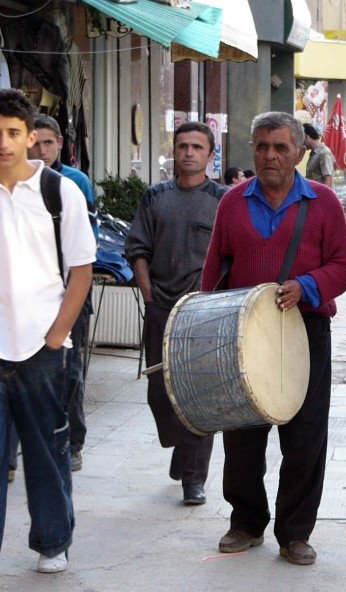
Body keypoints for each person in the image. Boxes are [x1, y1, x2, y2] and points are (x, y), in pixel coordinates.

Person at [0, 89, 95, 587]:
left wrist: (56, 335)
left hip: (43, 347)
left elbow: (81, 269)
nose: (3, 142)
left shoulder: (60, 192)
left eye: (14, 133)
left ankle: (52, 538)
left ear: (31, 136)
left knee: (45, 450)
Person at [201, 111, 346, 566]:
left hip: (305, 331)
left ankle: (295, 533)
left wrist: (307, 286)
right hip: (243, 334)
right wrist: (206, 326)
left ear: (299, 152)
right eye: (262, 147)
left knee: (305, 435)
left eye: (280, 147)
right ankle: (246, 522)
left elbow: (345, 265)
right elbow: (215, 269)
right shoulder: (232, 202)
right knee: (243, 431)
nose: (270, 155)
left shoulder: (323, 203)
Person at [125, 122, 226, 505]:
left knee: (199, 393)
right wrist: (150, 297)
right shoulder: (155, 197)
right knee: (160, 393)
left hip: (205, 312)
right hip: (161, 308)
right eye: (182, 146)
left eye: (197, 147)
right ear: (174, 151)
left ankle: (193, 479)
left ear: (210, 154)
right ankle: (181, 448)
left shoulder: (223, 200)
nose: (188, 153)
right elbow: (137, 250)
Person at [25, 114, 97, 472]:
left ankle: (73, 442)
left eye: (48, 143)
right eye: (35, 142)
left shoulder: (74, 182)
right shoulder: (17, 183)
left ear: (61, 144)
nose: (42, 150)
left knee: (71, 369)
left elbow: (88, 243)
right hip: (27, 296)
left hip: (70, 291)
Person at [302, 123, 335, 187]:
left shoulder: (324, 152)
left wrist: (325, 196)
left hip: (322, 195)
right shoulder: (313, 153)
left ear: (305, 137)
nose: (301, 144)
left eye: (301, 140)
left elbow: (328, 179)